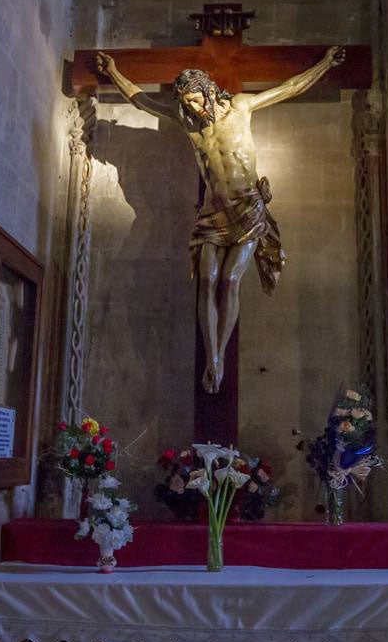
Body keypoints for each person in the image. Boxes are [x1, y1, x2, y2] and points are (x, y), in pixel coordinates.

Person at [96, 46, 344, 393]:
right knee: (208, 278)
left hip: (247, 209)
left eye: (196, 99)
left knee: (229, 280)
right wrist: (113, 72)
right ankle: (211, 356)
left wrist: (325, 63)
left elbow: (288, 88)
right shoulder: (188, 123)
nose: (193, 108)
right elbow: (140, 100)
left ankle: (220, 355)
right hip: (213, 212)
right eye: (187, 103)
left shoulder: (241, 107)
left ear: (209, 89)